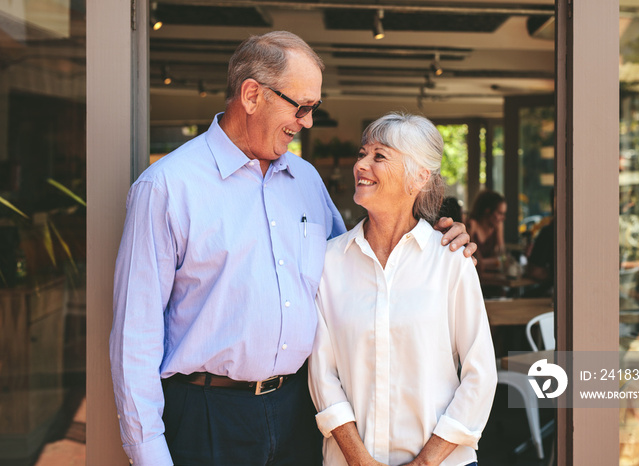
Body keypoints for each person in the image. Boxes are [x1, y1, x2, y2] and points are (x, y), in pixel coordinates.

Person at [109, 31, 477, 466]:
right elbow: (134, 340)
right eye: (301, 106)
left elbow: (361, 262)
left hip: (299, 417)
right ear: (251, 95)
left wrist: (438, 237)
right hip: (208, 416)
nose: (307, 122)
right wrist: (148, 455)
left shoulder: (305, 181)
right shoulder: (167, 187)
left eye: (313, 109)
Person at [308, 112, 497, 466]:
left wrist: (426, 463)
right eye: (362, 153)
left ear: (419, 177)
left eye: (379, 156)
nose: (361, 164)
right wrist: (359, 460)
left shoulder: (451, 260)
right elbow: (322, 374)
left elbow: (480, 374)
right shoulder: (329, 262)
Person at [466, 189, 507, 273]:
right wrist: (493, 262)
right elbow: (474, 260)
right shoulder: (472, 225)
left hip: (491, 277)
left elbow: (503, 258)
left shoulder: (497, 226)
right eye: (499, 213)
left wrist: (484, 262)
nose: (503, 218)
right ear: (487, 210)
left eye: (504, 214)